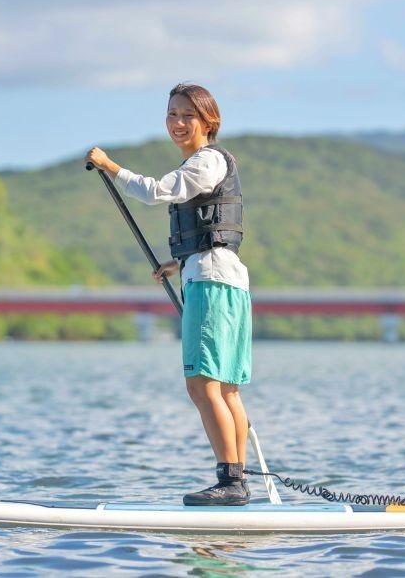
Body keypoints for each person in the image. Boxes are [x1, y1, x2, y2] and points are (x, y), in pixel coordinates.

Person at [84, 83, 252, 506]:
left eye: (187, 116)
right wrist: (179, 263)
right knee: (226, 388)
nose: (177, 123)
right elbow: (213, 235)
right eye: (172, 114)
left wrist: (110, 166)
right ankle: (237, 480)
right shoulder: (210, 164)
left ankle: (231, 482)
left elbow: (157, 192)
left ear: (207, 121)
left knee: (203, 385)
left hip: (212, 284)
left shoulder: (207, 161)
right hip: (221, 277)